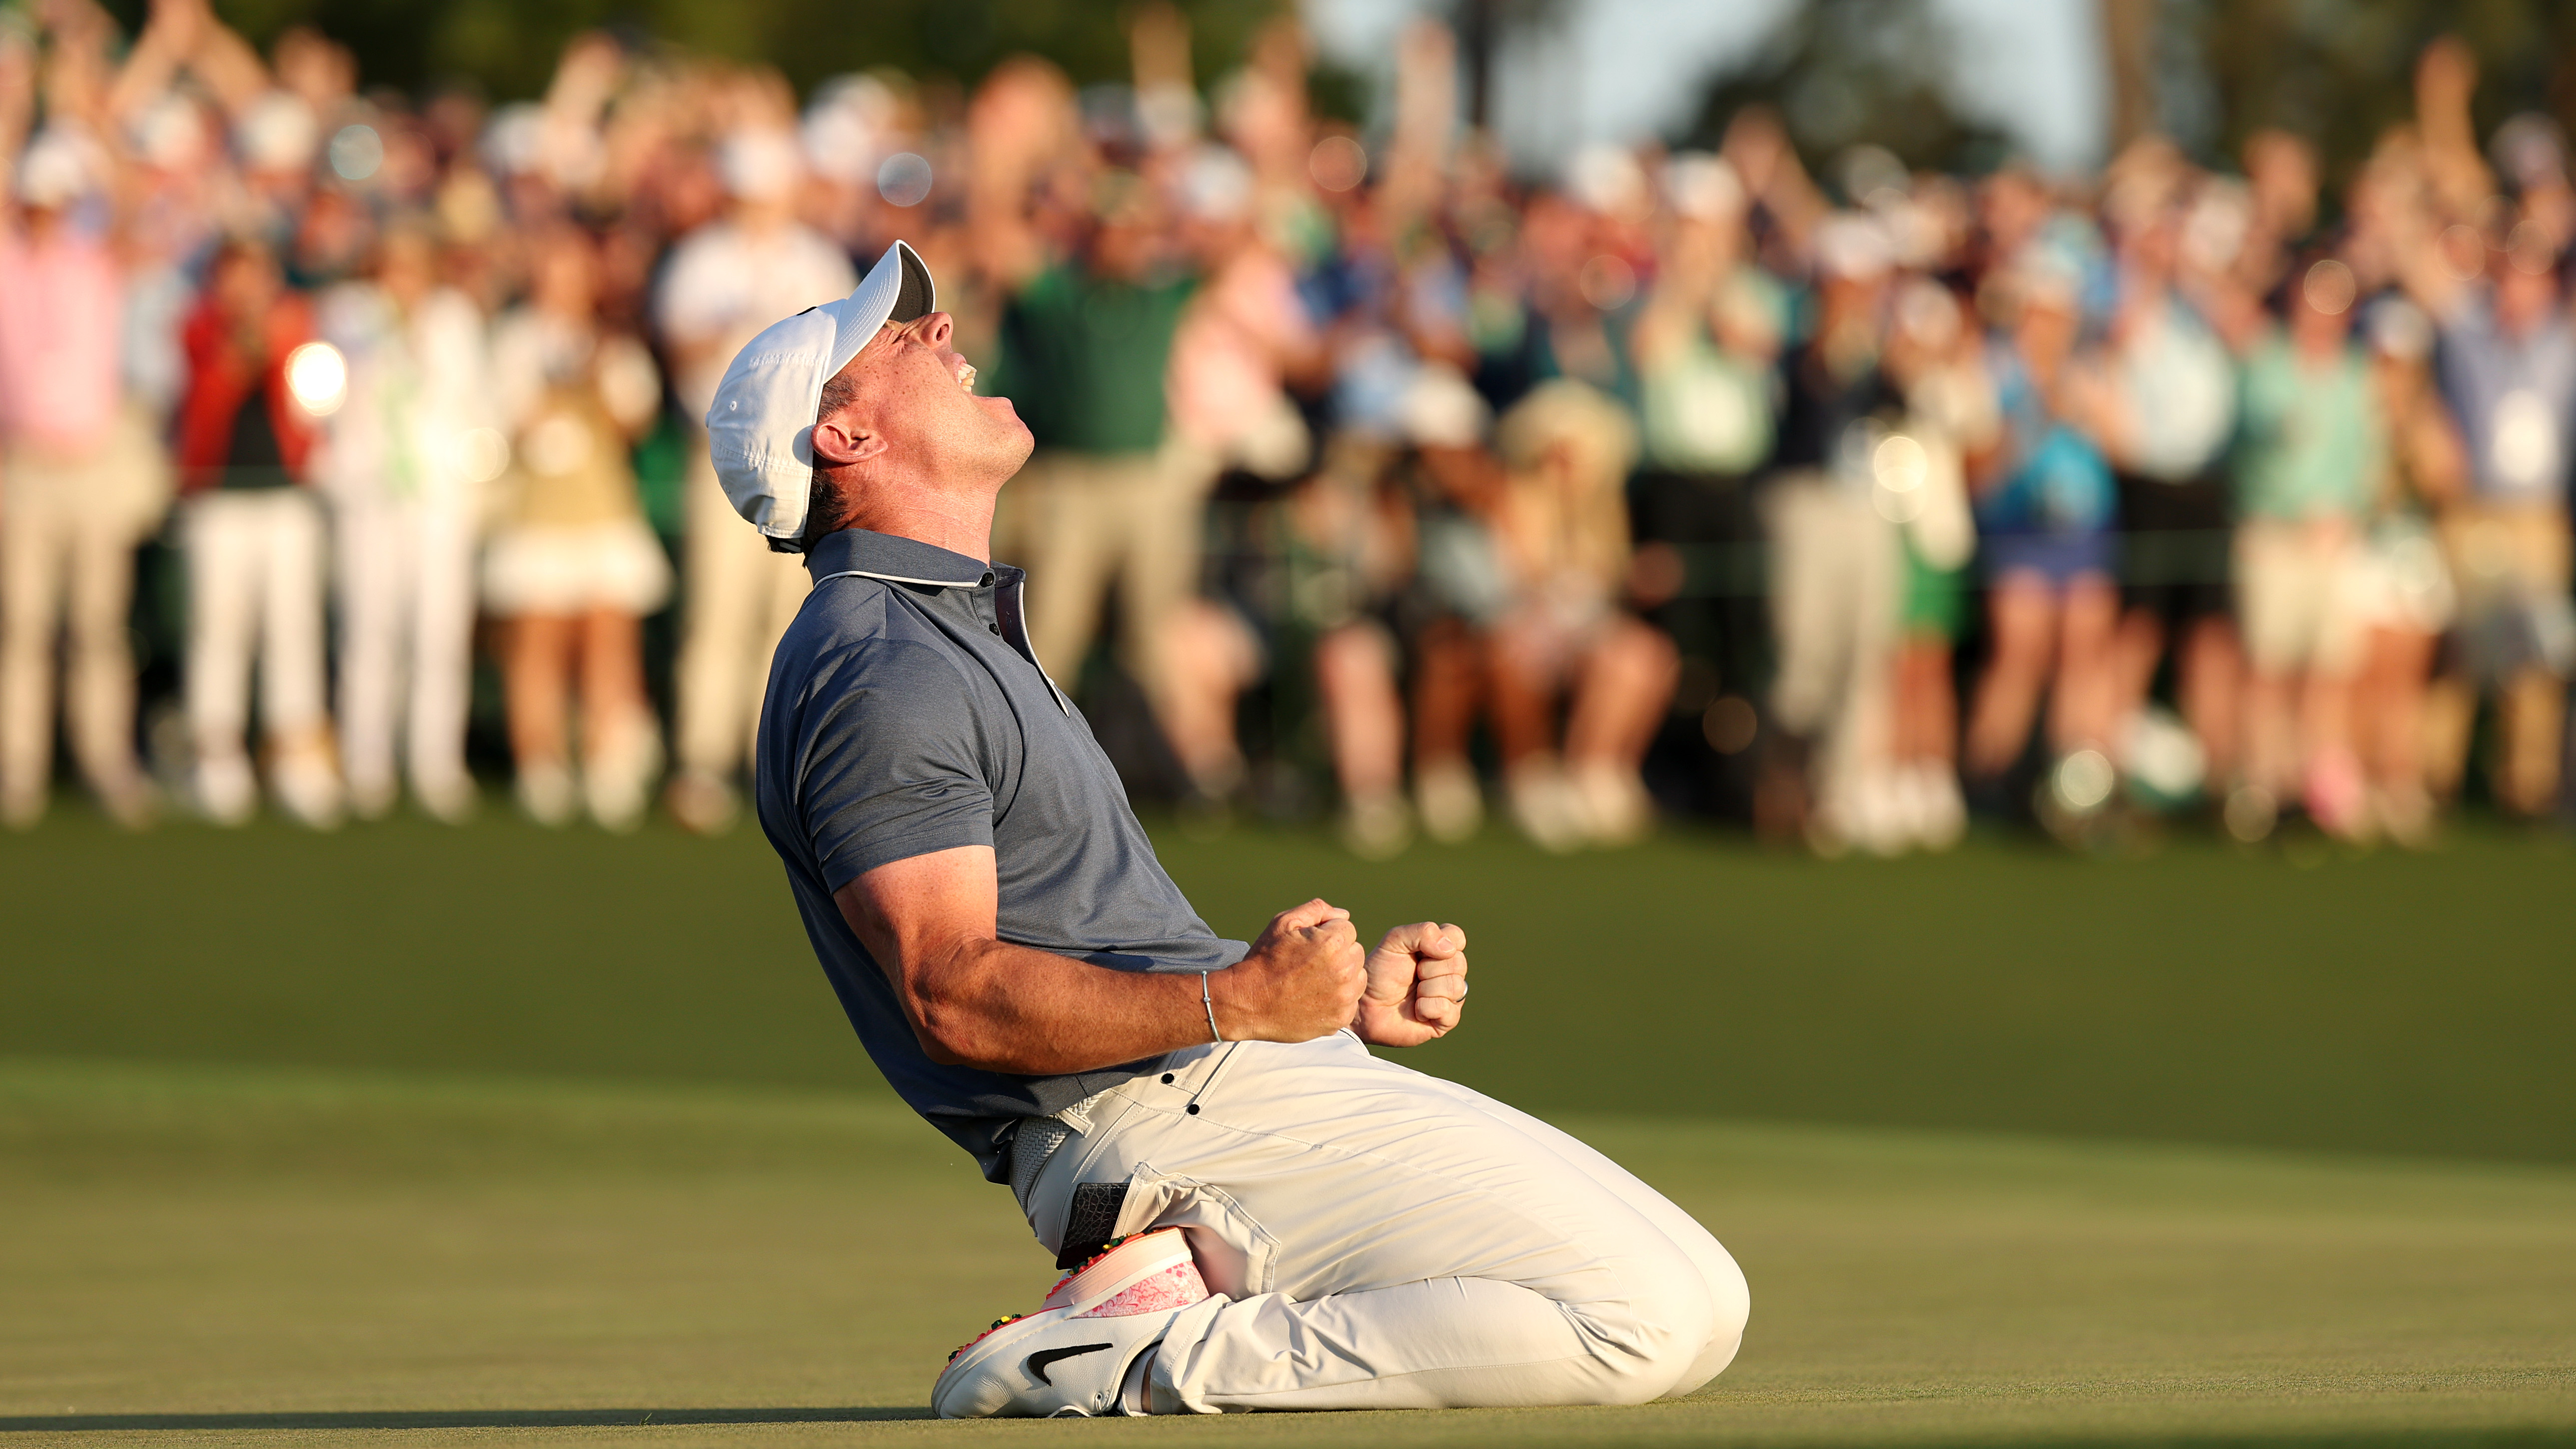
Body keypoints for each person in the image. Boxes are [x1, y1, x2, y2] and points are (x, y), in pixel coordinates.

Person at [723, 241, 1747, 1418]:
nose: (943, 330)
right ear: (843, 435)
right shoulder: (880, 662)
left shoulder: (936, 626)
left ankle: (1166, 1299)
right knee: (1643, 1319)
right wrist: (1241, 1002)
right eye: (899, 339)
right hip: (1153, 1113)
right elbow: (952, 993)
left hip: (1215, 1081)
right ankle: (1119, 1361)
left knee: (1708, 1302)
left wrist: (1319, 1004)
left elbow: (1084, 939)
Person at [654, 122, 856, 832]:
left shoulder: (816, 257)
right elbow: (678, 346)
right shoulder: (700, 258)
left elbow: (846, 358)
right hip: (722, 450)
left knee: (789, 617)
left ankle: (772, 763)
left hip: (802, 458)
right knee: (717, 611)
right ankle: (704, 760)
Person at [0, 132, 168, 828]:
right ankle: (18, 768)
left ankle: (105, 760)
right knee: (22, 625)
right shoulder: (6, 264)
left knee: (99, 625)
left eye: (57, 201)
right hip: (21, 464)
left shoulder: (94, 263)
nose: (45, 212)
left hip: (93, 463)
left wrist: (96, 124)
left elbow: (138, 206)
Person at [484, 225, 670, 829]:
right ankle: (540, 764)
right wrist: (555, 384)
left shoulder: (612, 342)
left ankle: (607, 762)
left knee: (608, 640)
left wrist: (596, 374)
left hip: (602, 511)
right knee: (535, 642)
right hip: (535, 512)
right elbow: (508, 421)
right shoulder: (513, 339)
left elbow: (633, 422)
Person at [313, 221, 493, 823]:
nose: (404, 280)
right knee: (369, 628)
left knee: (438, 632)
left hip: (437, 497)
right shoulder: (347, 314)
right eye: (394, 266)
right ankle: (366, 762)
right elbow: (333, 394)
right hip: (369, 493)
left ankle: (436, 762)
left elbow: (467, 396)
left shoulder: (452, 320)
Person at [173, 235, 340, 827]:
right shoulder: (196, 326)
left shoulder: (298, 326)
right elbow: (207, 394)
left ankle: (297, 754)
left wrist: (276, 341)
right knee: (218, 627)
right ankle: (216, 755)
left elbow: (312, 404)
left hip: (286, 495)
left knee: (293, 626)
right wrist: (243, 344)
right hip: (218, 497)